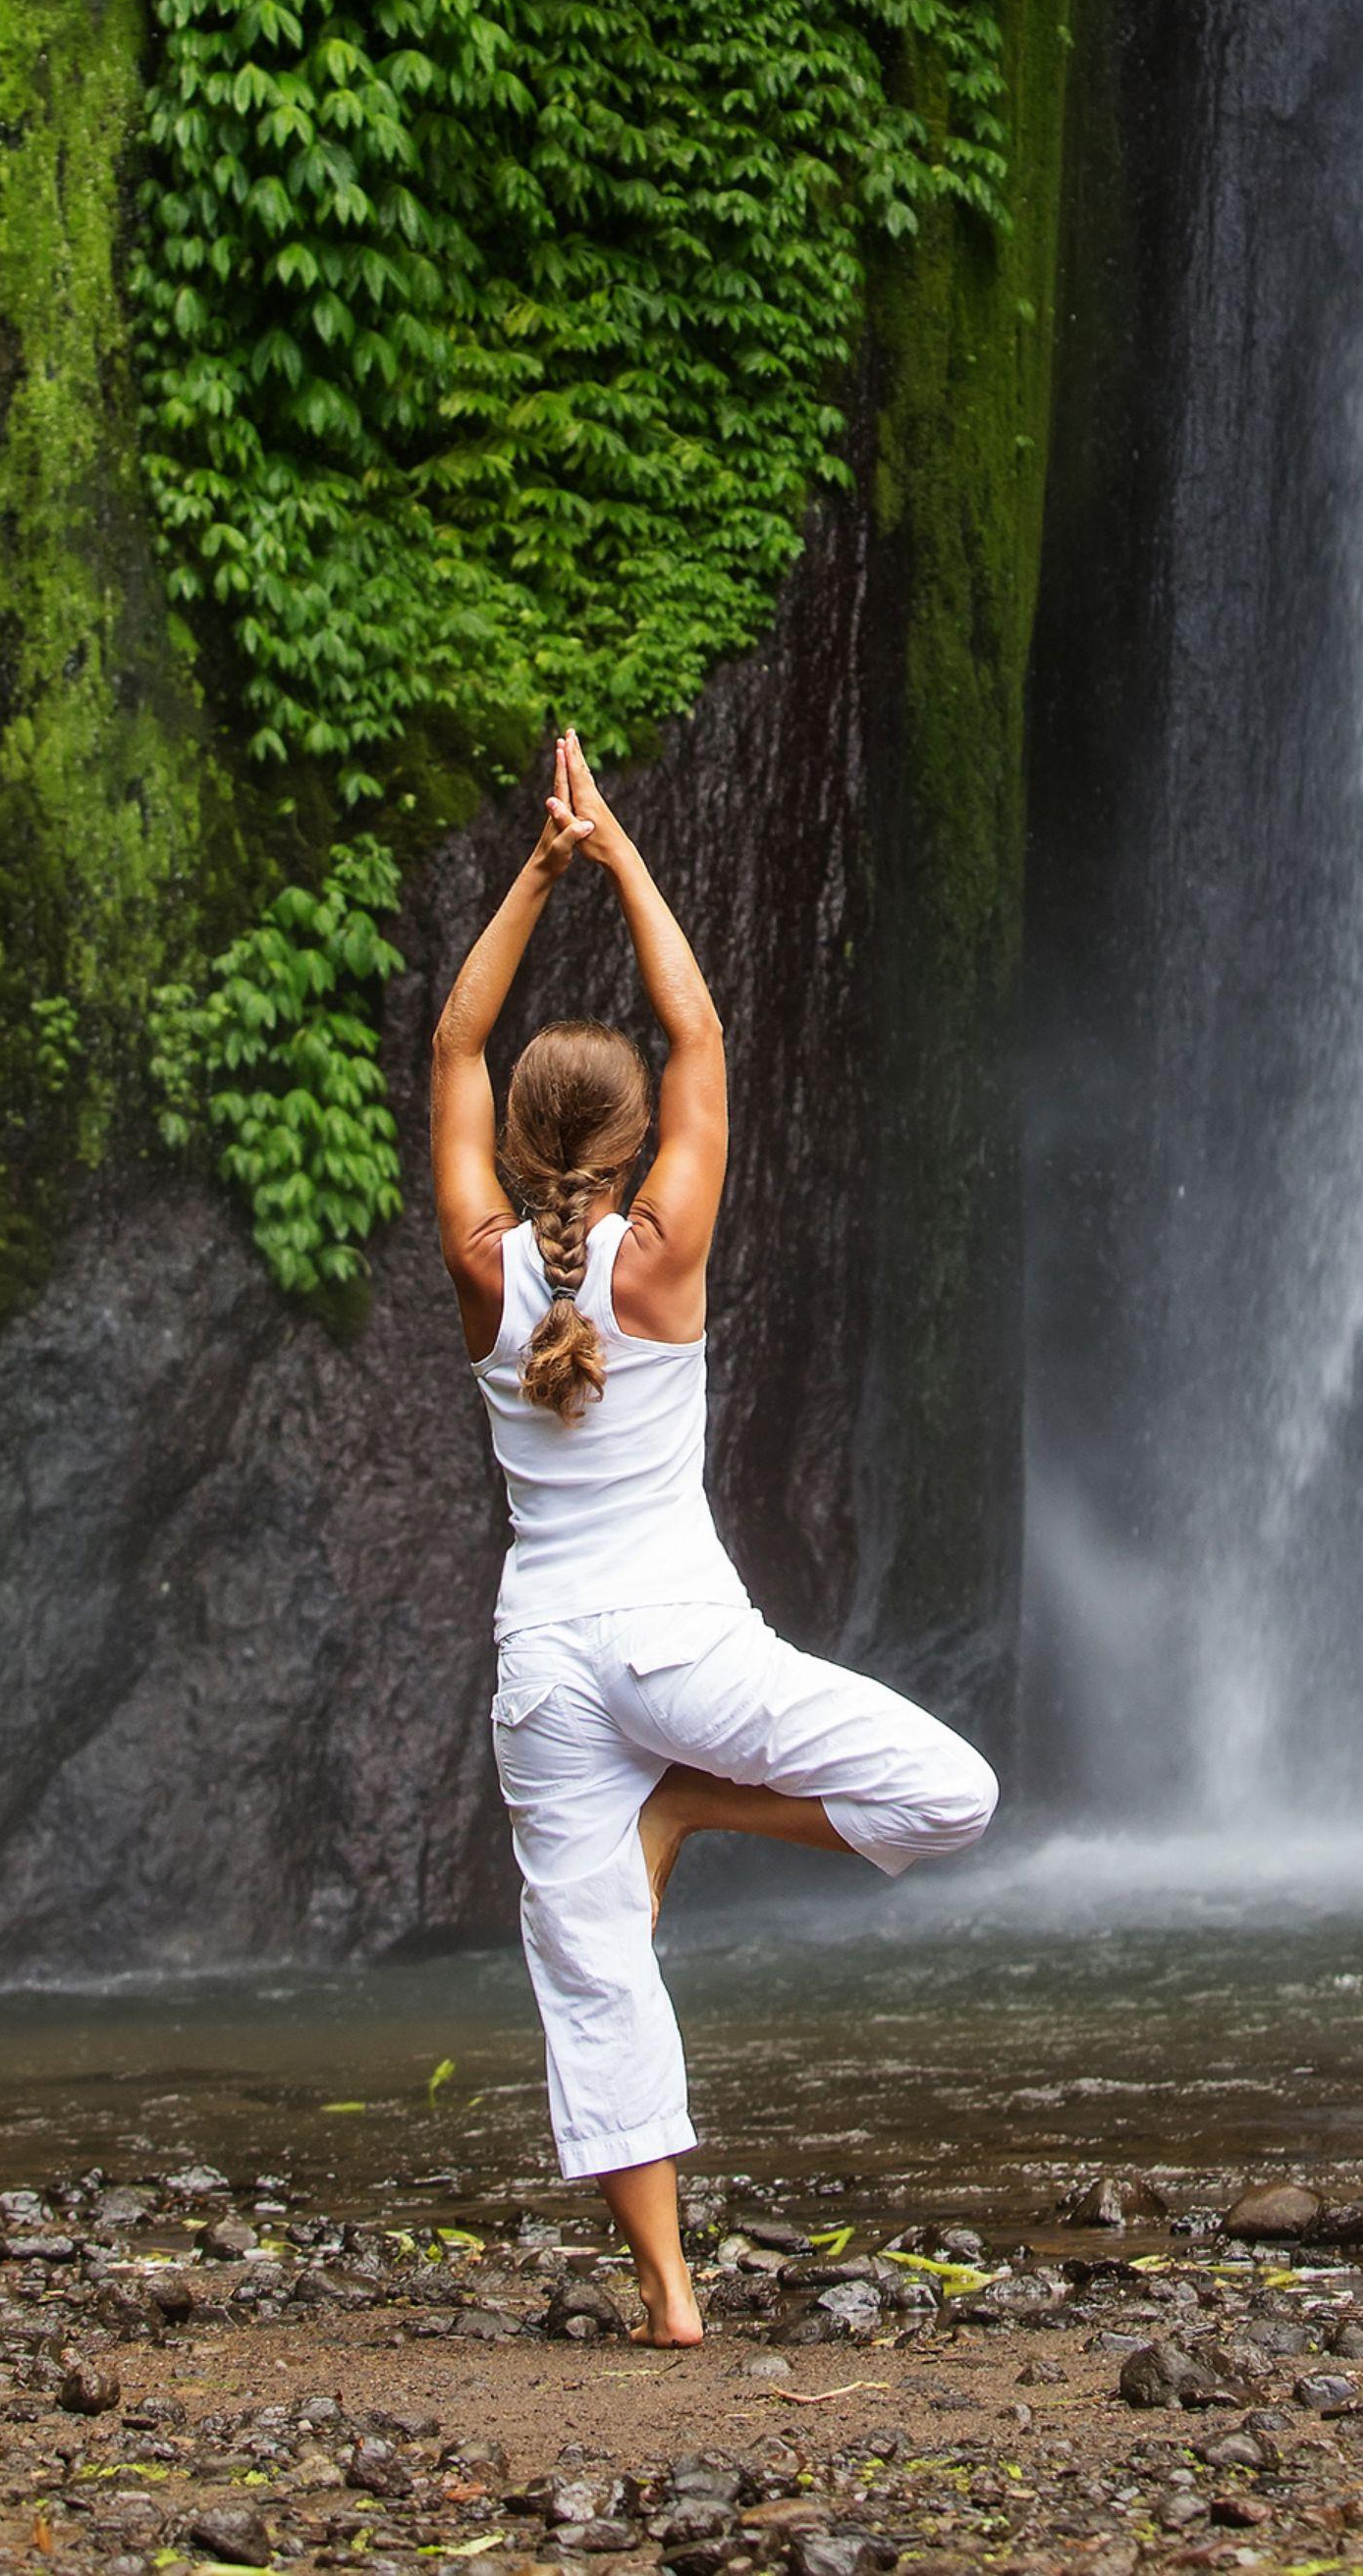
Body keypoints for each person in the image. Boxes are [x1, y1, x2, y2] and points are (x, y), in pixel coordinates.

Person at [428, 730, 1000, 2344]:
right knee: (951, 1792)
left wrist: (535, 876)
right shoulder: (663, 1258)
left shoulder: (486, 1264)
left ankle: (671, 2295)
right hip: (680, 1644)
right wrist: (611, 850)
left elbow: (459, 1041)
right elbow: (700, 1032)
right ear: (622, 1151)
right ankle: (698, 1809)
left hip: (543, 1661)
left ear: (525, 1147)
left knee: (595, 1970)